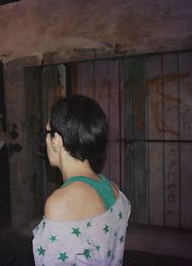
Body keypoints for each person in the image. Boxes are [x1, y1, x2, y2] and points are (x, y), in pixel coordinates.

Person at [33, 95, 131, 266]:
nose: (45, 141)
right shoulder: (113, 190)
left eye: (46, 133)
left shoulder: (60, 204)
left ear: (57, 140)